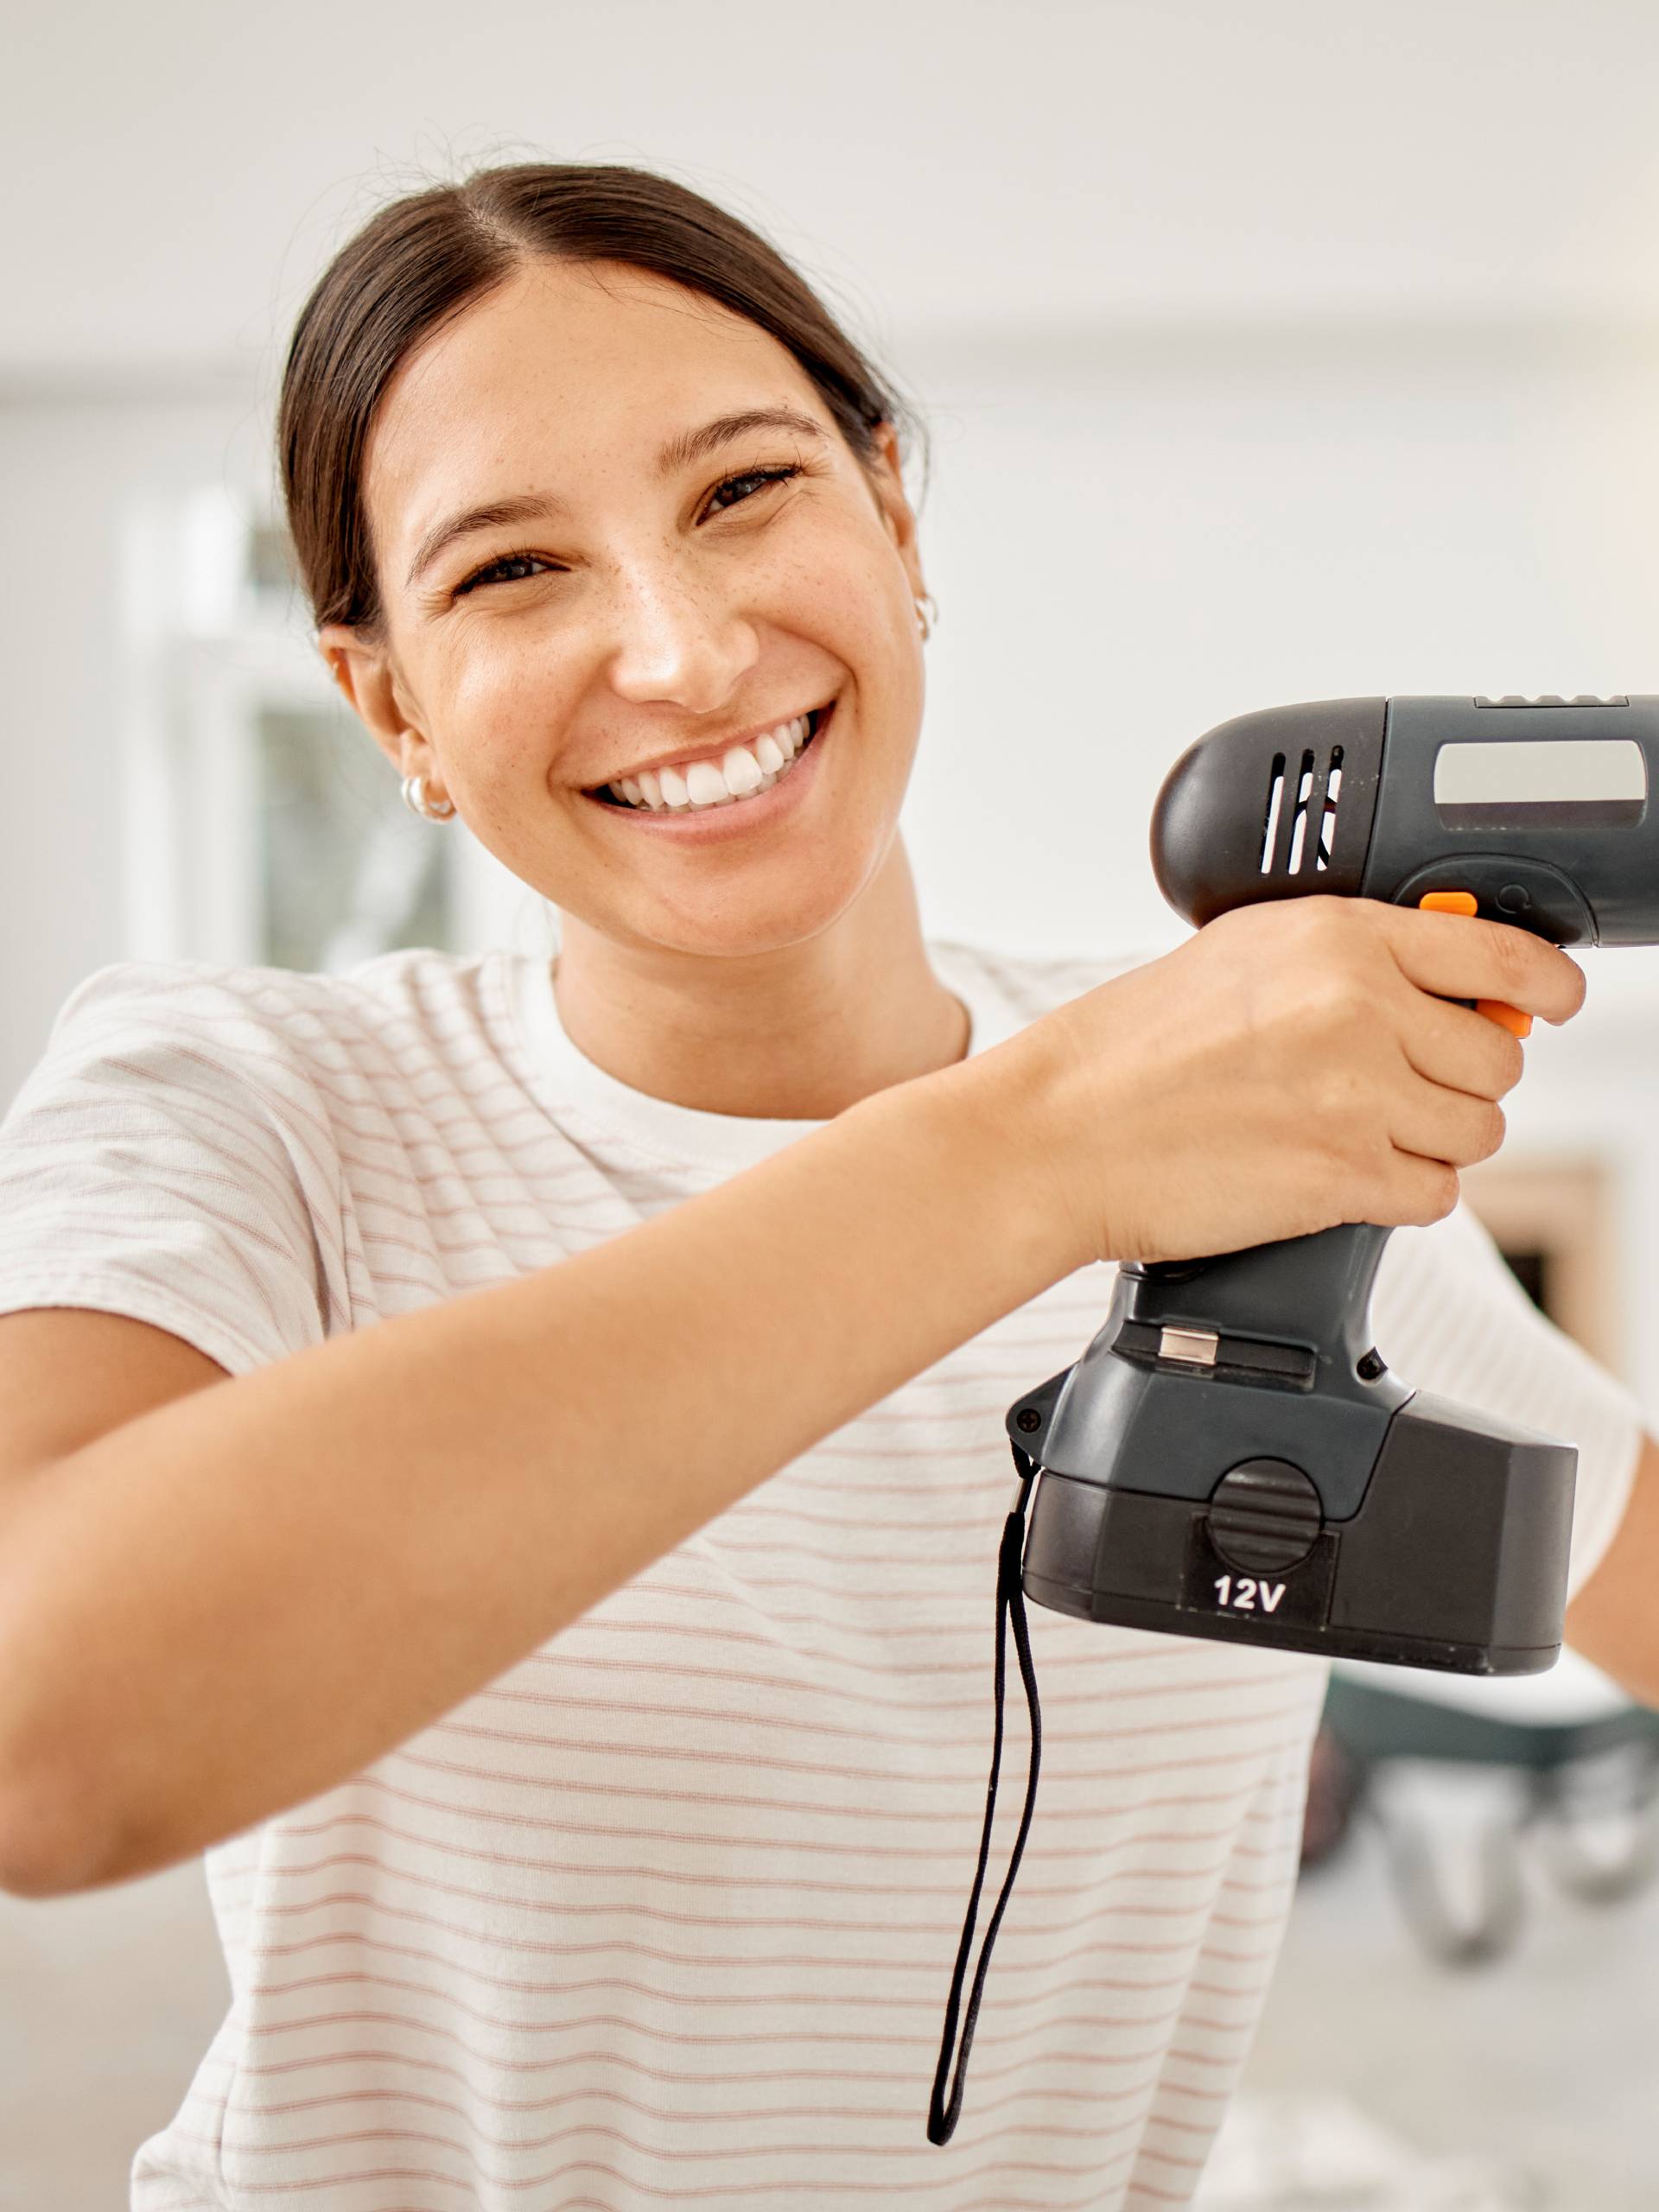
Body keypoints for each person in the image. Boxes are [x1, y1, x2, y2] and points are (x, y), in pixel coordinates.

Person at [0, 162, 1652, 2212]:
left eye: (740, 491)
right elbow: (44, 1731)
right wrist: (1035, 1148)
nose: (683, 655)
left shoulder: (1261, 1130)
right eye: (513, 572)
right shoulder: (249, 1101)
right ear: (390, 706)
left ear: (893, 509)